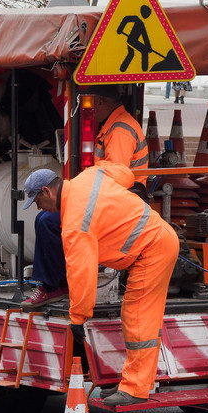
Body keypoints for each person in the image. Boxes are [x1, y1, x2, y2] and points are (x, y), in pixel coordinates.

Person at [22, 164, 179, 406]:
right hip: (154, 241)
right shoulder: (88, 175)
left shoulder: (75, 222)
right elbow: (123, 173)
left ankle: (135, 388)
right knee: (136, 317)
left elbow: (81, 273)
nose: (39, 208)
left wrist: (78, 317)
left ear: (46, 191)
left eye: (37, 201)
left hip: (152, 250)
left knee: (138, 319)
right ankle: (135, 381)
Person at [27, 86, 147, 307]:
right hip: (109, 200)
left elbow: (116, 178)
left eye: (91, 105)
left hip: (113, 205)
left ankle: (53, 286)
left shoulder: (120, 130)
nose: (87, 111)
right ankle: (58, 282)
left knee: (47, 222)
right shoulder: (115, 125)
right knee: (47, 220)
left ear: (100, 102)